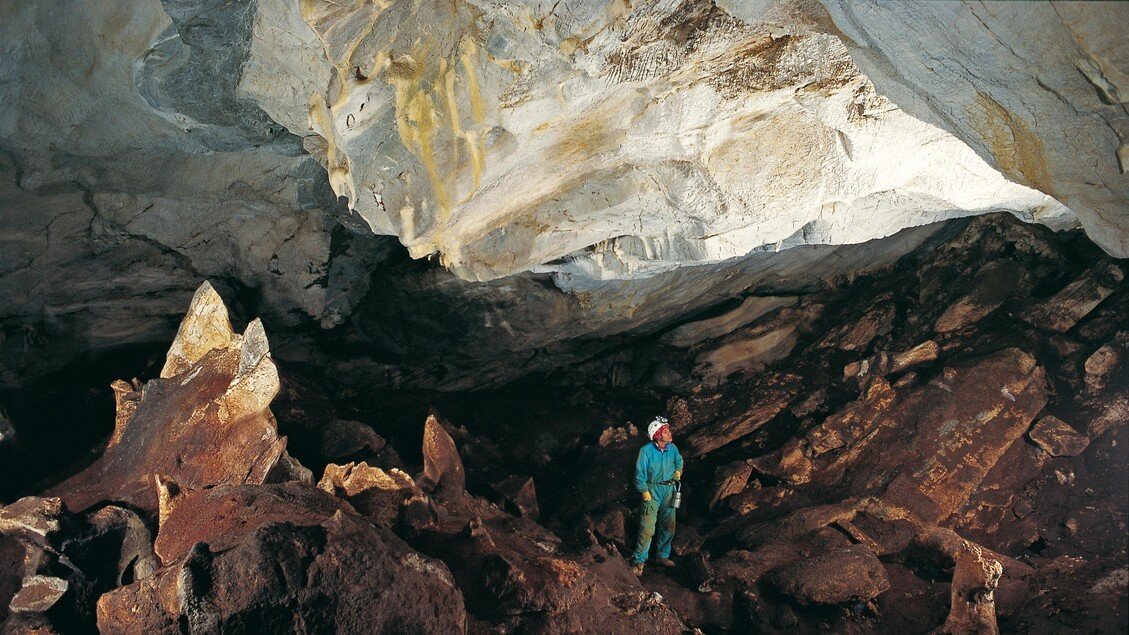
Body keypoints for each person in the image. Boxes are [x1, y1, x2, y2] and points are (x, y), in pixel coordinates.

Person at [630, 415, 683, 576]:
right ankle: (639, 561)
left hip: (670, 489)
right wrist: (644, 491)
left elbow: (679, 461)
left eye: (668, 430)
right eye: (666, 431)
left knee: (669, 525)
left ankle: (662, 556)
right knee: (647, 528)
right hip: (652, 490)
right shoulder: (645, 451)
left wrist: (678, 471)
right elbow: (640, 473)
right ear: (657, 435)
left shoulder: (672, 448)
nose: (669, 433)